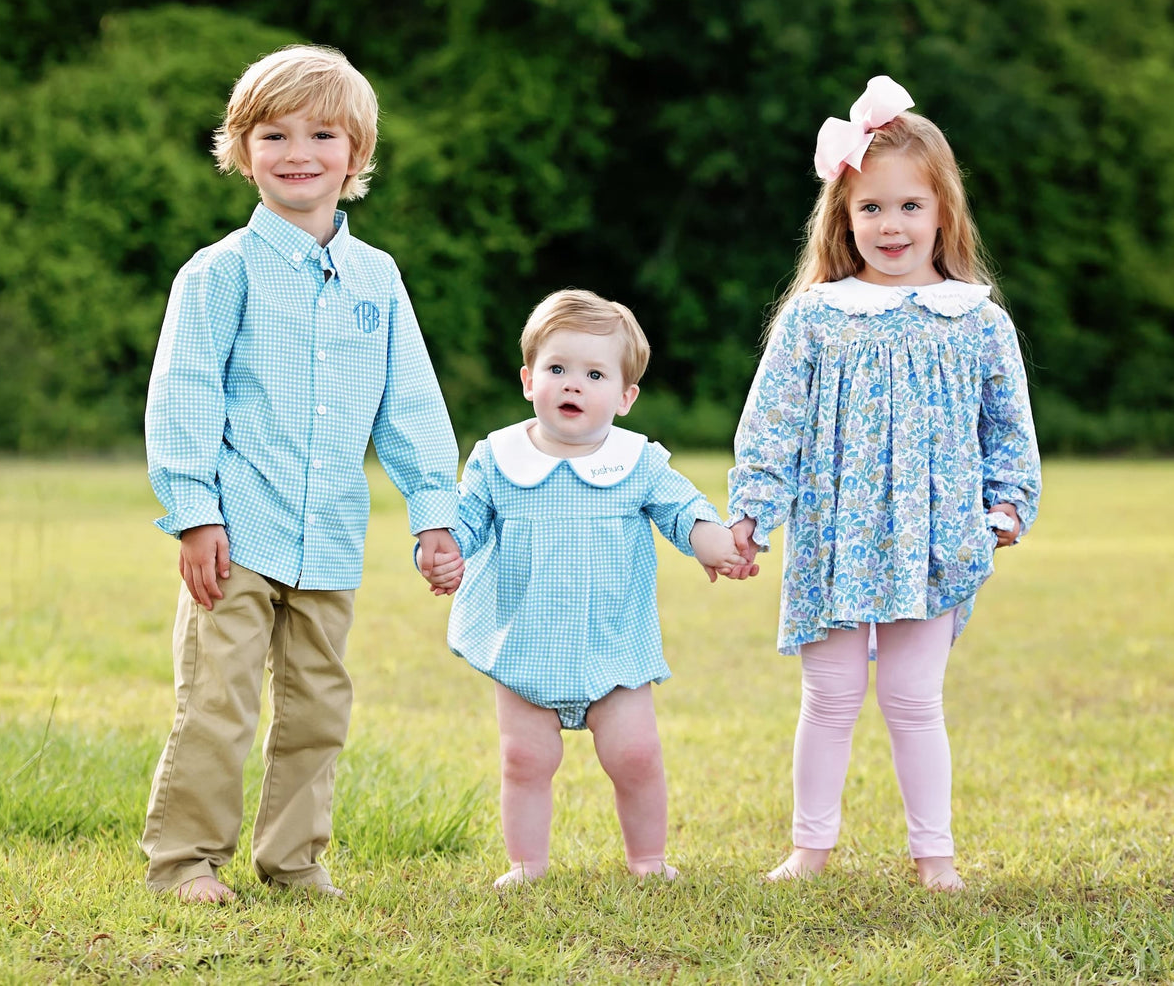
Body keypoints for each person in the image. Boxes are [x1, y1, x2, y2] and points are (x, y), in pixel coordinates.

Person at [141, 44, 461, 903]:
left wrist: (435, 511)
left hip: (329, 537)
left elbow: (411, 406)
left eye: (322, 134)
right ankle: (184, 862)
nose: (297, 153)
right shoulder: (220, 274)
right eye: (273, 134)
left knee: (319, 710)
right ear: (241, 149)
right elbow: (184, 396)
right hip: (238, 530)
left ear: (354, 157)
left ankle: (294, 862)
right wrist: (194, 512)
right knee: (218, 703)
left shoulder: (377, 280)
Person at [728, 76, 1041, 891]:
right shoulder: (816, 316)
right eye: (869, 208)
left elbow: (1007, 428)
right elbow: (771, 424)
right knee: (828, 695)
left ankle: (933, 855)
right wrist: (755, 513)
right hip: (834, 534)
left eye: (908, 206)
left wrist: (1004, 505)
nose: (889, 225)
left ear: (942, 212)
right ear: (842, 216)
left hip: (933, 538)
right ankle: (809, 848)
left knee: (912, 699)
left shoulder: (974, 318)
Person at [427, 289, 754, 889]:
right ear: (529, 380)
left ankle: (648, 859)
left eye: (594, 374)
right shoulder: (498, 458)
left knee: (635, 756)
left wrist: (712, 540)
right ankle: (526, 864)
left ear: (626, 397)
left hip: (612, 646)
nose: (572, 384)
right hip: (525, 643)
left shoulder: (637, 460)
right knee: (525, 760)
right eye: (557, 369)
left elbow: (682, 509)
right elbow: (466, 522)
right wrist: (446, 549)